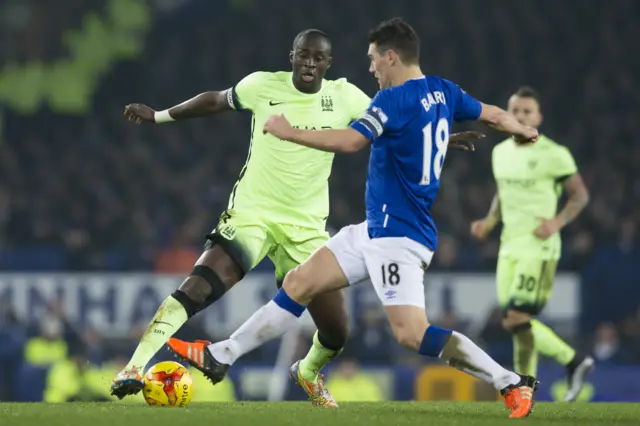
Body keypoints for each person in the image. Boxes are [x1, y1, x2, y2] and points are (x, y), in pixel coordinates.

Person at [168, 18, 540, 418]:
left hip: (398, 237)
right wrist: (523, 130)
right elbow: (493, 114)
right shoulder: (444, 91)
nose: (370, 69)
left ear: (391, 56)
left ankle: (511, 382)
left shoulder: (391, 100)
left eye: (373, 60)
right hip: (374, 231)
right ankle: (221, 355)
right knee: (299, 282)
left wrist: (290, 132)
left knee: (411, 334)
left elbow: (351, 140)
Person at [110, 27, 484, 403]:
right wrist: (158, 116)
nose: (309, 63)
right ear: (292, 56)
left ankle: (307, 371)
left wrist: (442, 140)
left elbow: (393, 128)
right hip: (252, 215)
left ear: (328, 63)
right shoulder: (261, 86)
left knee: (336, 332)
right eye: (303, 55)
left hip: (306, 228)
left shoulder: (345, 96)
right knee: (199, 286)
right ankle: (133, 367)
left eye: (317, 58)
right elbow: (213, 101)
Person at [470, 87, 593, 402]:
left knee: (516, 317)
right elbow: (502, 191)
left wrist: (557, 222)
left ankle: (573, 361)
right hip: (508, 246)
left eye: (527, 112)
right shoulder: (500, 153)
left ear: (537, 117)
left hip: (538, 248)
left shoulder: (554, 153)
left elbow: (579, 194)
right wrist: (489, 220)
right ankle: (527, 390)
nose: (521, 116)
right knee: (515, 325)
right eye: (516, 111)